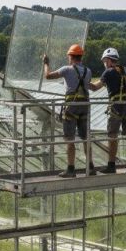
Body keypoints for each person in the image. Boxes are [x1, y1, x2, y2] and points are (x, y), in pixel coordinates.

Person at [43, 44, 96, 177]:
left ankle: (71, 169)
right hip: (85, 106)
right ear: (81, 57)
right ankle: (91, 167)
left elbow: (48, 76)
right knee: (86, 138)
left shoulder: (67, 69)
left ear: (71, 57)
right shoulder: (88, 71)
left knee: (70, 139)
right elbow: (88, 85)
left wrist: (46, 63)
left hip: (72, 106)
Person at [89, 47, 126, 174]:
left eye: (105, 61)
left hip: (116, 107)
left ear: (109, 60)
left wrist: (83, 81)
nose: (104, 64)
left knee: (112, 136)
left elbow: (95, 87)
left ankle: (111, 166)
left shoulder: (108, 72)